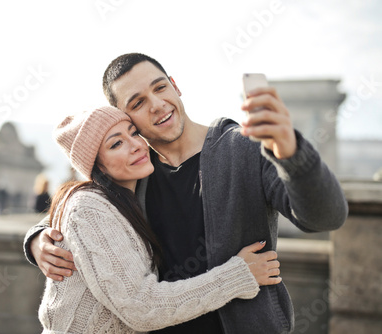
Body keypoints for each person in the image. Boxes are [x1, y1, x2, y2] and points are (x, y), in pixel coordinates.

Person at [24, 54, 348, 333]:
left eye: (160, 87)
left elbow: (325, 217)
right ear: (127, 117)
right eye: (137, 103)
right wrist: (40, 239)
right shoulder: (135, 171)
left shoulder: (244, 149)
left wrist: (292, 152)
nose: (157, 104)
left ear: (175, 86)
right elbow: (90, 210)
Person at [34, 106, 281, 333]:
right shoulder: (89, 207)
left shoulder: (124, 200)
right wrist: (237, 275)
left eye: (133, 133)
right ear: (98, 167)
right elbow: (140, 306)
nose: (136, 145)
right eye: (117, 143)